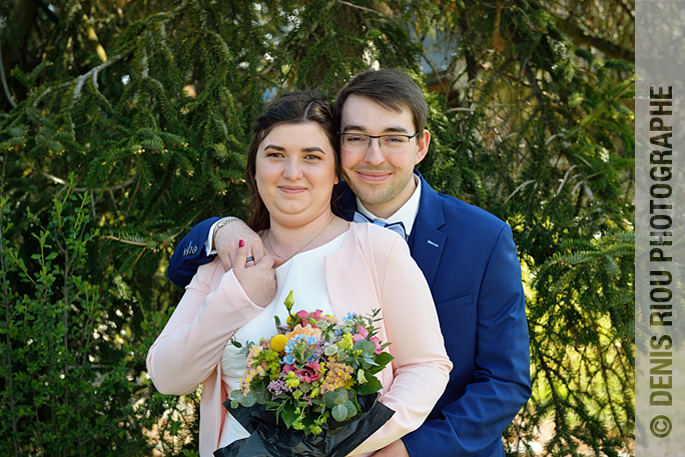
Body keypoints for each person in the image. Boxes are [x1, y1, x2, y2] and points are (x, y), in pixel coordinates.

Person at [168, 69, 531, 457]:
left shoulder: (482, 238)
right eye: (356, 138)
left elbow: (504, 380)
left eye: (393, 138)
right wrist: (221, 228)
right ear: (338, 150)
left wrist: (408, 451)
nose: (374, 157)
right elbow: (184, 267)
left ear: (421, 145)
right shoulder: (310, 209)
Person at [147, 92, 452, 457]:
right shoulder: (225, 262)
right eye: (276, 155)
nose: (292, 173)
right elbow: (167, 377)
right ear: (255, 168)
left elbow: (426, 367)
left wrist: (341, 446)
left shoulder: (377, 249)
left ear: (336, 171)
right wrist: (236, 299)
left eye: (312, 157)